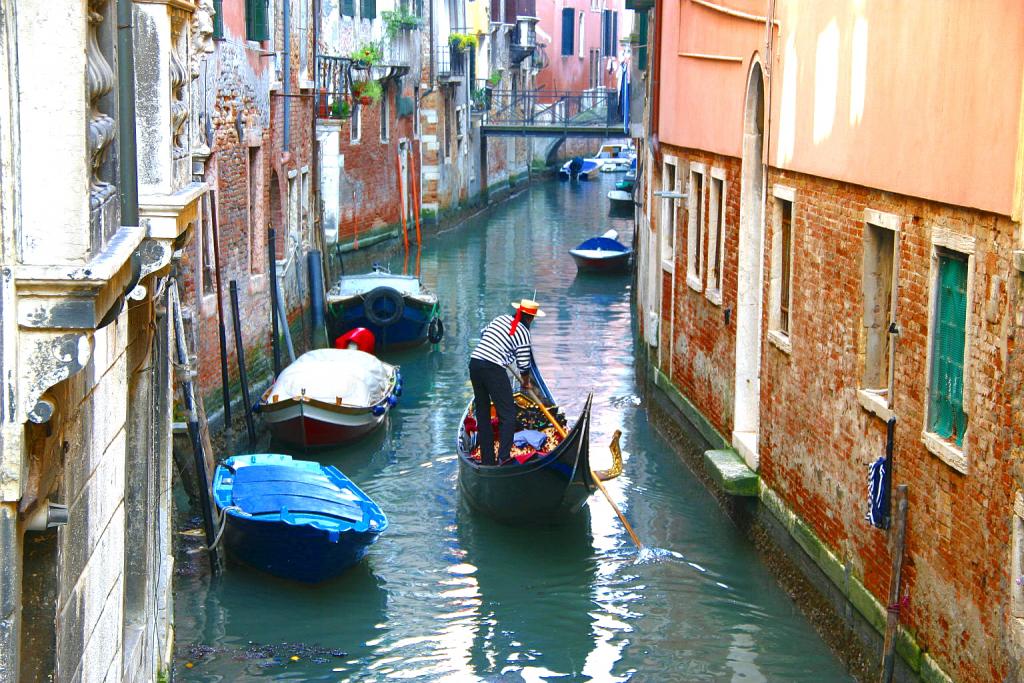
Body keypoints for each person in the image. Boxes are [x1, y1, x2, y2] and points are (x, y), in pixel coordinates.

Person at [468, 298, 546, 465]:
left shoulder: (500, 318)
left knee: (482, 413)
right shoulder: (524, 333)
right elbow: (524, 366)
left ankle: (488, 460)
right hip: (493, 368)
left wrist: (503, 350)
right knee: (508, 415)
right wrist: (526, 383)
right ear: (531, 318)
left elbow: (484, 334)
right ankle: (503, 457)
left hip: (475, 363)